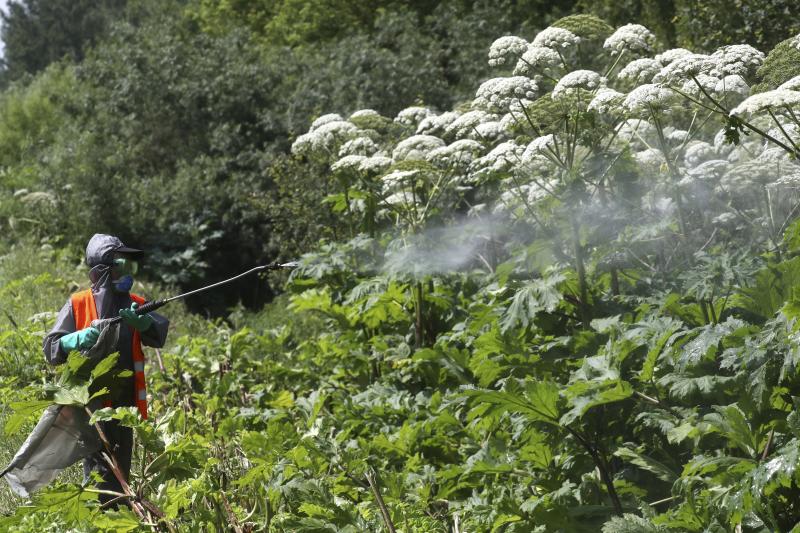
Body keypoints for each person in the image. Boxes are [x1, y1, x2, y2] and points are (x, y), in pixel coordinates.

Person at [42, 233, 169, 505]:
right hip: (90, 405)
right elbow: (51, 348)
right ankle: (102, 517)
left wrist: (145, 324)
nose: (126, 272)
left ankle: (118, 511)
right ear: (102, 270)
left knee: (121, 467)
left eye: (128, 266)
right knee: (99, 472)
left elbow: (158, 333)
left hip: (125, 408)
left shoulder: (135, 301)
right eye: (120, 265)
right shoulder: (78, 304)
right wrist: (75, 338)